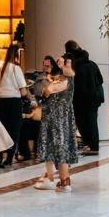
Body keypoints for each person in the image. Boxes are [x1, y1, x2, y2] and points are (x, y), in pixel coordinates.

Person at [35, 55, 80, 192]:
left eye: (63, 63)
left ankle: (64, 181)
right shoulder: (62, 79)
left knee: (60, 148)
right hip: (53, 118)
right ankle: (52, 178)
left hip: (59, 119)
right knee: (51, 146)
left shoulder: (68, 80)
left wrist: (49, 84)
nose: (59, 65)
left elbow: (48, 91)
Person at [64, 40, 105, 155]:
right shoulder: (92, 64)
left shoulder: (75, 67)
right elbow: (100, 80)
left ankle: (90, 145)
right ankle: (93, 146)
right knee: (92, 122)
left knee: (82, 122)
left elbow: (74, 85)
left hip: (80, 100)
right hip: (93, 99)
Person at [0, 45, 29, 168]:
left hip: (0, 102)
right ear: (17, 55)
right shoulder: (15, 69)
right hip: (13, 103)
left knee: (1, 130)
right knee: (14, 130)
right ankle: (9, 158)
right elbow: (23, 91)